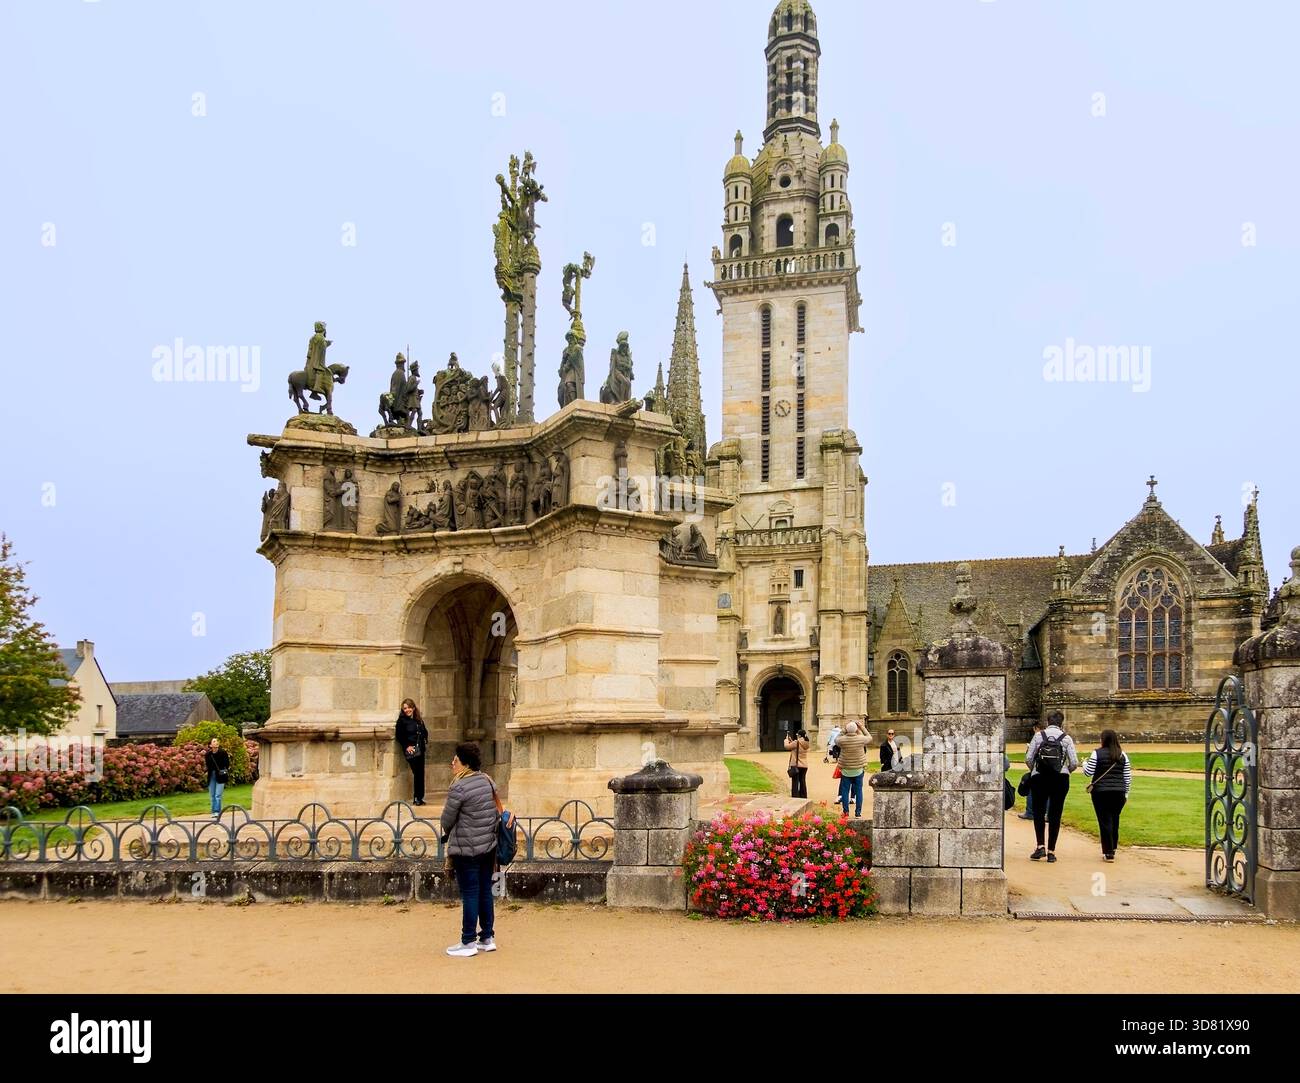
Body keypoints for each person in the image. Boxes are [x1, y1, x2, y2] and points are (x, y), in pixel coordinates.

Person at [440, 742, 502, 957]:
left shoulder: (459, 786)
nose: (452, 763)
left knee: (470, 893)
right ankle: (487, 937)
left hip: (466, 849)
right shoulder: (487, 781)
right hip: (488, 847)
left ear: (464, 763)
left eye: (455, 760)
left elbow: (446, 820)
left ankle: (468, 942)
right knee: (485, 891)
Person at [1025, 710, 1078, 862]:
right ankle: (1051, 851)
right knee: (1055, 814)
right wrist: (1065, 771)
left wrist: (1034, 770)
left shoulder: (1038, 736)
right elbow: (1074, 762)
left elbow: (1028, 758)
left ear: (1048, 722)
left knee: (1039, 812)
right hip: (1060, 779)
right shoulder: (1066, 738)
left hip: (1040, 777)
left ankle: (1040, 846)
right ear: (1062, 723)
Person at [1083, 729, 1132, 861]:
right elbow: (1127, 777)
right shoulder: (1123, 755)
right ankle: (1113, 847)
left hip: (1101, 792)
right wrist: (1126, 793)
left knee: (1104, 821)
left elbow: (1088, 772)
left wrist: (1084, 763)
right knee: (1114, 819)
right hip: (1119, 792)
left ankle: (1108, 851)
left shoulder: (1096, 753)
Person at [395, 698, 429, 806]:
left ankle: (420, 797)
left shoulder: (418, 719)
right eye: (405, 708)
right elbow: (399, 735)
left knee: (420, 773)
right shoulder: (402, 721)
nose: (407, 710)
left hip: (420, 749)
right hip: (412, 750)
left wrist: (425, 738)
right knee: (417, 772)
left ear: (413, 708)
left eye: (409, 707)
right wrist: (406, 746)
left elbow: (424, 731)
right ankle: (416, 797)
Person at [835, 720, 872, 817]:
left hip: (846, 769)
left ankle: (846, 812)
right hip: (858, 769)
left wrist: (844, 729)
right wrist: (861, 727)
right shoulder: (861, 739)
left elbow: (836, 739)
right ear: (856, 730)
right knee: (859, 791)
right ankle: (858, 813)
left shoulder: (842, 740)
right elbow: (869, 737)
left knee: (845, 791)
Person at [1019, 720, 1047, 821]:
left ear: (1035, 728)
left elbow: (1028, 758)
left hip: (1037, 769)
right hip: (1052, 769)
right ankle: (1046, 814)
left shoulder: (1037, 737)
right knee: (1048, 792)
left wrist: (1032, 769)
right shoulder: (1053, 737)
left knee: (1031, 791)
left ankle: (1030, 812)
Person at [204, 737, 230, 819]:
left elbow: (227, 764)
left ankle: (217, 812)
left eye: (217, 741)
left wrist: (222, 770)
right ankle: (213, 811)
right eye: (214, 741)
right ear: (211, 745)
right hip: (211, 775)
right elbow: (208, 766)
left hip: (220, 775)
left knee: (217, 795)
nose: (216, 742)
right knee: (212, 795)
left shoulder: (223, 752)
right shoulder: (208, 755)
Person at [783, 727, 810, 798]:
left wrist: (786, 740)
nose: (797, 735)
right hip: (804, 765)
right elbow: (797, 746)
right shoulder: (806, 743)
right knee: (802, 781)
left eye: (797, 735)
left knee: (795, 782)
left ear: (800, 736)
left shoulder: (796, 742)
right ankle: (803, 795)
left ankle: (795, 796)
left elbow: (787, 746)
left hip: (796, 765)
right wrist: (792, 741)